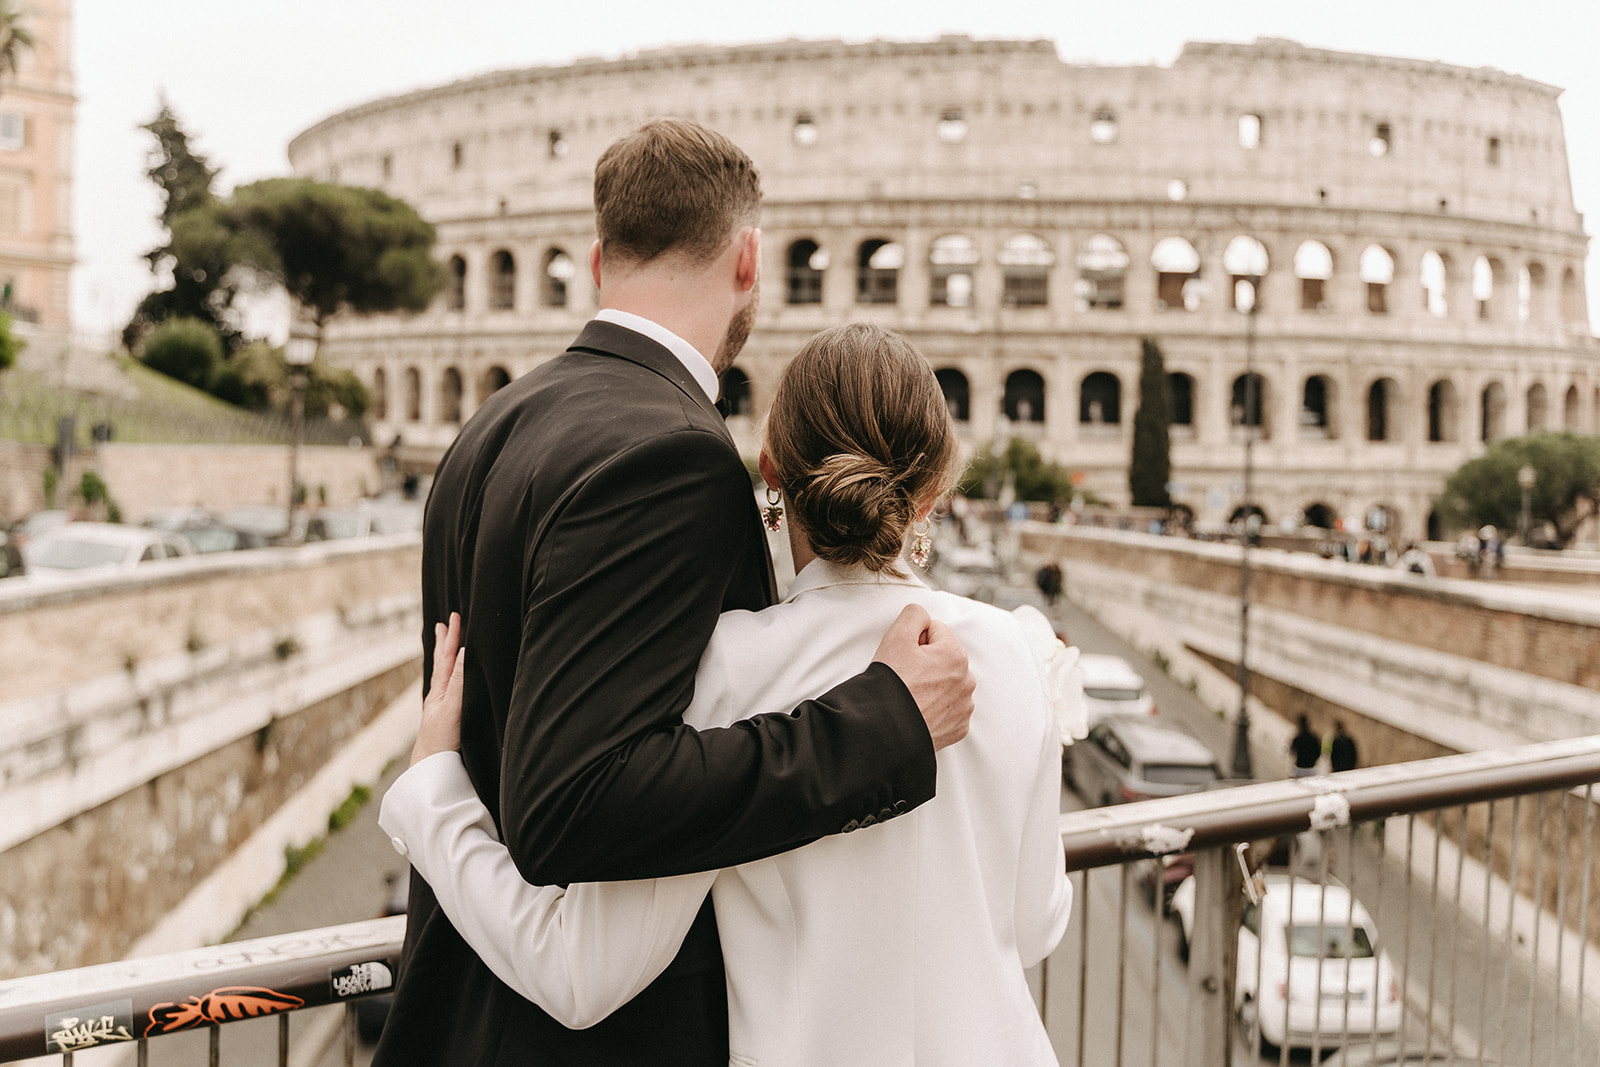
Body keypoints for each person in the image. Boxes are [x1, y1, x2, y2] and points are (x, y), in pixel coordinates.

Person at [374, 122, 976, 1067]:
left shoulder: (493, 426)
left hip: (459, 1011)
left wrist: (434, 791)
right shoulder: (674, 454)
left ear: (597, 258)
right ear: (748, 259)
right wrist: (882, 722)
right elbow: (576, 800)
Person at [382, 324, 1079, 1066]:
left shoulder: (725, 669)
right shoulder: (1015, 651)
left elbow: (578, 974)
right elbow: (1036, 926)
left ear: (772, 476)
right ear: (934, 492)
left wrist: (435, 796)